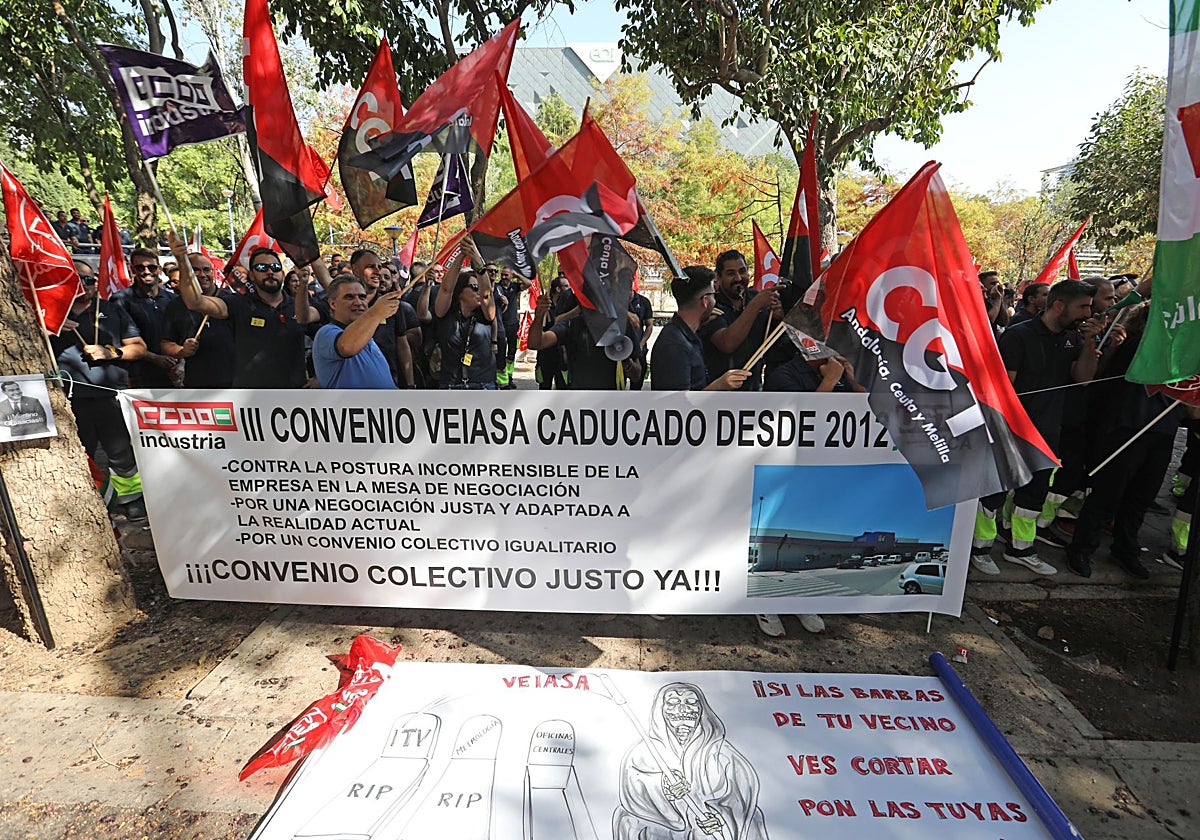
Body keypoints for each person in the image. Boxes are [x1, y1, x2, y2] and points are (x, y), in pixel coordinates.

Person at [971, 279, 1103, 577]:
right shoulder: (1019, 335)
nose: (1088, 313)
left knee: (1034, 494)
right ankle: (980, 547)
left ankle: (1020, 548)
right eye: (1083, 307)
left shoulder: (1074, 338)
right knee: (994, 492)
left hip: (1049, 430)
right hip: (1012, 430)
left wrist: (1091, 342)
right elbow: (1006, 386)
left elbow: (1083, 378)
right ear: (1059, 305)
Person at [1064, 304, 1178, 579]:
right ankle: (1082, 548)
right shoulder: (1135, 346)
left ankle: (1126, 547)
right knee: (1107, 493)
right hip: (1127, 427)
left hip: (1162, 429)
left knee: (1142, 495)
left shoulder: (1183, 350)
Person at [51, 261, 148, 520]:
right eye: (79, 279)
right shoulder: (51, 312)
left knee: (121, 453)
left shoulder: (111, 310)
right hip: (67, 399)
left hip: (110, 394)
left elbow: (139, 347)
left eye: (90, 279)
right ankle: (87, 502)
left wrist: (110, 352)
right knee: (80, 454)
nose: (86, 285)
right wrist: (51, 325)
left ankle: (130, 499)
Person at [613, 682, 767, 840]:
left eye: (691, 702)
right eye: (673, 703)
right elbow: (634, 793)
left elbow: (740, 796)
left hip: (709, 822)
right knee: (627, 818)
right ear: (661, 710)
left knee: (754, 817)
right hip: (664, 822)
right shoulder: (643, 752)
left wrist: (719, 818)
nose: (682, 708)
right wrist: (662, 786)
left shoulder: (722, 752)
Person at [174, 236, 311, 388]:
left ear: (283, 273)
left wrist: (318, 377)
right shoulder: (238, 303)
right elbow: (195, 302)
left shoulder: (300, 306)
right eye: (262, 268)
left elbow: (329, 335)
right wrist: (182, 261)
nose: (270, 272)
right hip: (250, 398)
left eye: (275, 267)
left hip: (295, 395)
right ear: (251, 275)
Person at [651, 266, 749, 392]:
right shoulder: (675, 345)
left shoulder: (687, 334)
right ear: (705, 300)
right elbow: (676, 406)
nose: (715, 301)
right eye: (714, 295)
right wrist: (719, 385)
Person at [527, 287, 643, 390]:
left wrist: (626, 362)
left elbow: (637, 375)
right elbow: (536, 343)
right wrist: (539, 315)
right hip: (579, 402)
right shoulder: (571, 325)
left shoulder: (622, 327)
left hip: (611, 405)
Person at [698, 250, 780, 390]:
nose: (738, 278)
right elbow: (727, 343)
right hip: (718, 391)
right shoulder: (712, 304)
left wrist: (779, 316)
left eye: (742, 271)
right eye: (730, 273)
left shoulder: (756, 297)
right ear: (718, 277)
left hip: (754, 389)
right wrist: (755, 306)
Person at [422, 244, 498, 390]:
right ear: (460, 292)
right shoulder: (445, 312)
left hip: (482, 384)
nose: (479, 292)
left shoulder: (484, 314)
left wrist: (478, 263)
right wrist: (461, 256)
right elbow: (446, 289)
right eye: (475, 287)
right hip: (451, 384)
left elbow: (486, 294)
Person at [160, 252, 236, 388]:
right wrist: (181, 351)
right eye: (195, 270)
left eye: (206, 270)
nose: (202, 275)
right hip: (198, 383)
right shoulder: (175, 305)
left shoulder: (232, 300)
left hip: (234, 382)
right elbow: (166, 342)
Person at [311, 276, 401, 389]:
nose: (358, 303)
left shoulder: (366, 337)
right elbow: (347, 347)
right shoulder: (326, 333)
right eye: (349, 297)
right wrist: (375, 313)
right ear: (333, 304)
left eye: (362, 297)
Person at [111, 248, 180, 389]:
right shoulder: (121, 300)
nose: (146, 271)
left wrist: (182, 363)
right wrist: (155, 358)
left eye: (151, 267)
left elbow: (182, 334)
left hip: (174, 372)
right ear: (132, 269)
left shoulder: (173, 299)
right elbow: (123, 339)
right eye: (140, 267)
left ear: (159, 270)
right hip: (140, 375)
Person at [494, 265, 530, 388]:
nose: (503, 277)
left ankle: (509, 376)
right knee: (501, 352)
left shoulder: (514, 286)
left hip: (513, 324)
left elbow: (528, 283)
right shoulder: (497, 287)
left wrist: (517, 275)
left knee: (512, 352)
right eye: (502, 274)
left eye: (506, 275)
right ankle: (501, 379)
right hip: (500, 325)